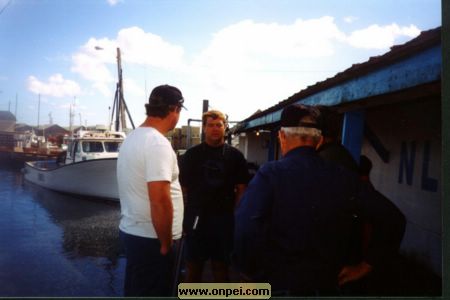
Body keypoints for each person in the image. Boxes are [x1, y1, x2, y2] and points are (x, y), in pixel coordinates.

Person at [233, 104, 394, 296]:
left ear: (282, 137)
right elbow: (393, 218)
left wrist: (248, 272)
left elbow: (245, 229)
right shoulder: (344, 176)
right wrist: (365, 266)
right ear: (318, 141)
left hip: (279, 285)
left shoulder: (271, 173)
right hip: (329, 286)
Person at [117, 84, 185, 296]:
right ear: (174, 109)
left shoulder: (132, 138)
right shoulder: (157, 144)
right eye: (179, 111)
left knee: (136, 289)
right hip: (153, 240)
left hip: (134, 233)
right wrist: (165, 244)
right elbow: (159, 200)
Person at [179, 110, 249, 283]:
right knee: (193, 267)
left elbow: (242, 189)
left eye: (219, 125)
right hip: (196, 219)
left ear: (225, 127)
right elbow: (183, 189)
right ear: (204, 128)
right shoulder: (192, 155)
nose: (215, 129)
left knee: (221, 267)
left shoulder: (236, 156)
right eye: (210, 125)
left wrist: (234, 215)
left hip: (223, 220)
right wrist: (184, 218)